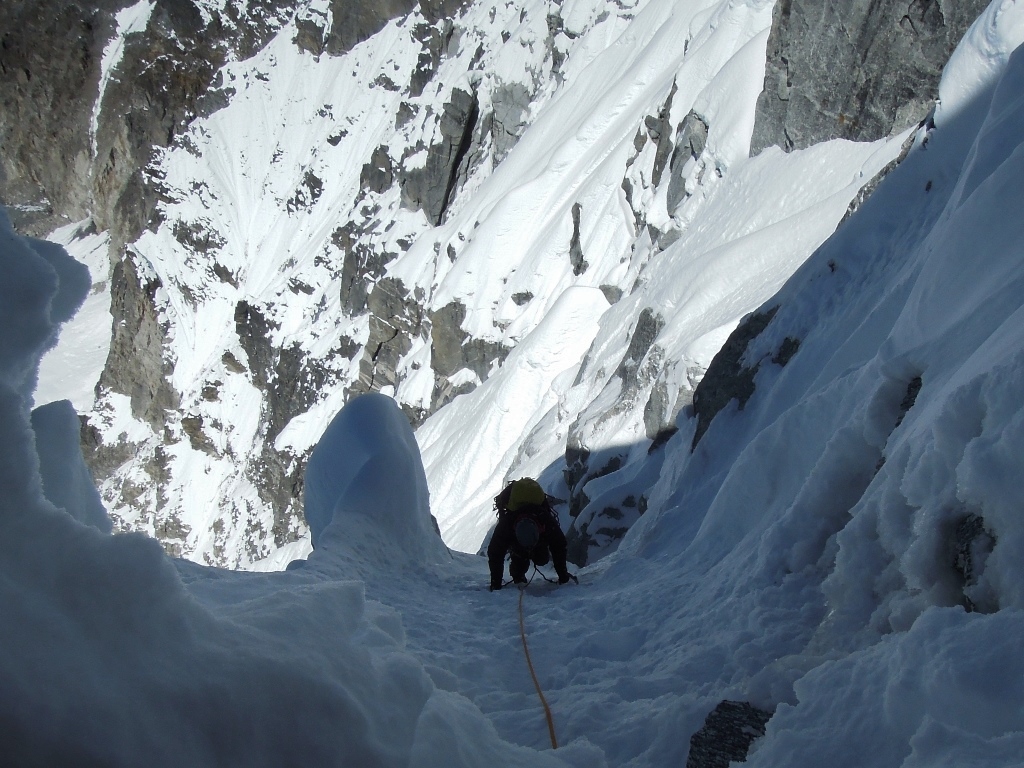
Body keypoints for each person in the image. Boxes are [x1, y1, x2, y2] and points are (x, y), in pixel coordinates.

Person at [487, 478, 575, 591]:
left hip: (526, 540)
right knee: (524, 558)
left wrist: (496, 583)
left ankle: (518, 570)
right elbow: (559, 546)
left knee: (540, 559)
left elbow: (495, 553)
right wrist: (563, 575)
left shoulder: (509, 524)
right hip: (531, 541)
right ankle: (518, 570)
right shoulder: (543, 520)